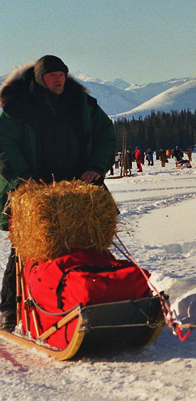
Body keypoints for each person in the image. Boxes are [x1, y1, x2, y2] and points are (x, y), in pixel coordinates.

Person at [0, 55, 116, 331]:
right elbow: (4, 144)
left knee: (89, 246)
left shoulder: (82, 104)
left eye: (62, 74)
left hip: (78, 185)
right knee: (25, 249)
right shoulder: (18, 107)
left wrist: (96, 167)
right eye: (53, 75)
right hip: (34, 189)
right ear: (41, 78)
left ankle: (97, 299)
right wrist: (23, 176)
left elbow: (105, 135)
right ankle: (8, 309)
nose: (59, 79)